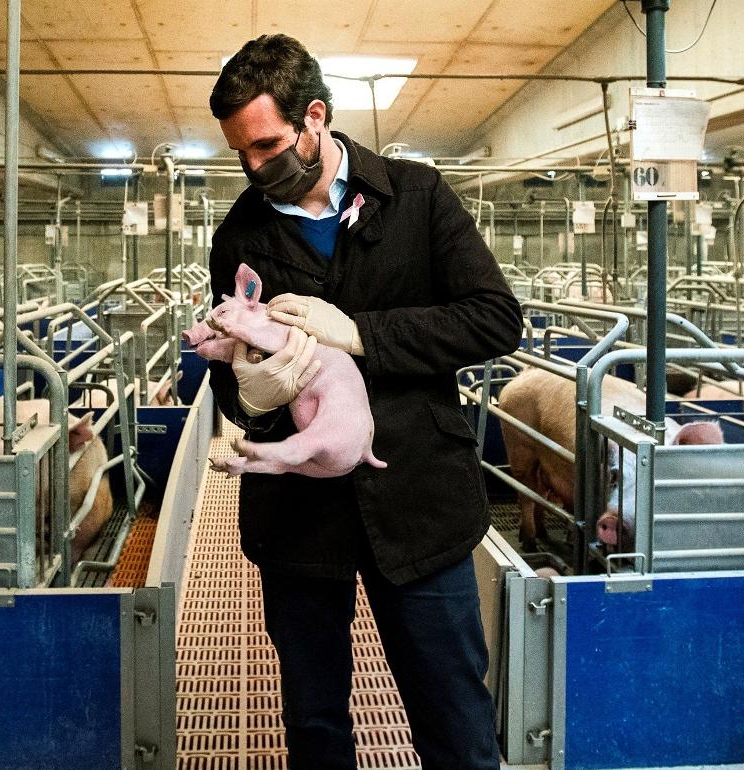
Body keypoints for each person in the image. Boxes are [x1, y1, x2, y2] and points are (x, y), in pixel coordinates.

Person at [205, 34, 523, 770]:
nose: (255, 168)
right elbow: (231, 362)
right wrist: (251, 397)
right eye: (241, 154)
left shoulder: (416, 196)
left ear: (314, 116)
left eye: (268, 145)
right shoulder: (239, 237)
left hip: (419, 500)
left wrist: (362, 334)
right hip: (299, 520)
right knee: (316, 725)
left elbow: (494, 317)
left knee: (454, 718)